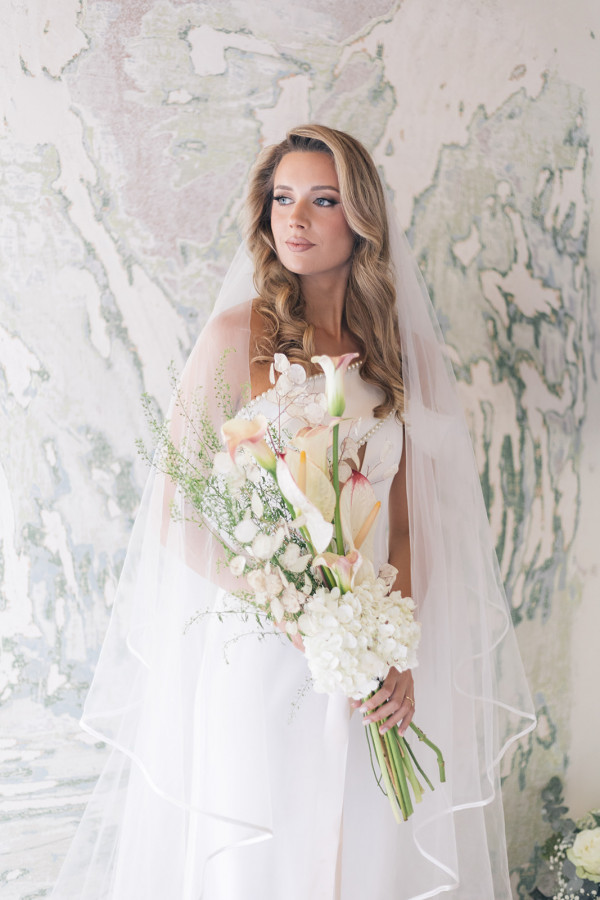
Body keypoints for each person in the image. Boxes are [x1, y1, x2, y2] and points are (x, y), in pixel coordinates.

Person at [51, 125, 535, 899]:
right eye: (283, 198)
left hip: (368, 656)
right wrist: (296, 609)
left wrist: (396, 649)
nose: (297, 219)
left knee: (366, 853)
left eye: (323, 200)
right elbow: (178, 511)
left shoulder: (398, 354)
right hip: (264, 653)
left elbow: (405, 524)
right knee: (266, 861)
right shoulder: (235, 337)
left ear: (362, 219)